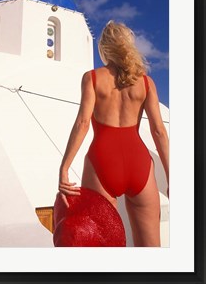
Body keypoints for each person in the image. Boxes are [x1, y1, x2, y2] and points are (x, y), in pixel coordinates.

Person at [58, 20, 169, 247]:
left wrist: (65, 168)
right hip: (139, 164)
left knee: (103, 248)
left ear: (104, 48)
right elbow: (158, 131)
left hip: (103, 161)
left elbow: (82, 122)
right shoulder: (146, 83)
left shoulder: (92, 78)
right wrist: (171, 175)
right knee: (151, 250)